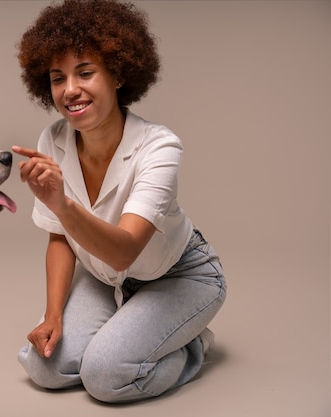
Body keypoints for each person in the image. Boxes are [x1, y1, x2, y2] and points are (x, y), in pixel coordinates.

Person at [12, 0, 226, 404]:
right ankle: (134, 326)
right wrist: (53, 314)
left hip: (180, 275)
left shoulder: (159, 147)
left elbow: (125, 250)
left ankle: (191, 344)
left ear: (119, 74)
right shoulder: (52, 141)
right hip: (104, 278)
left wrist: (63, 203)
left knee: (105, 378)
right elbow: (59, 238)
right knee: (45, 368)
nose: (70, 90)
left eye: (86, 72)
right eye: (58, 78)